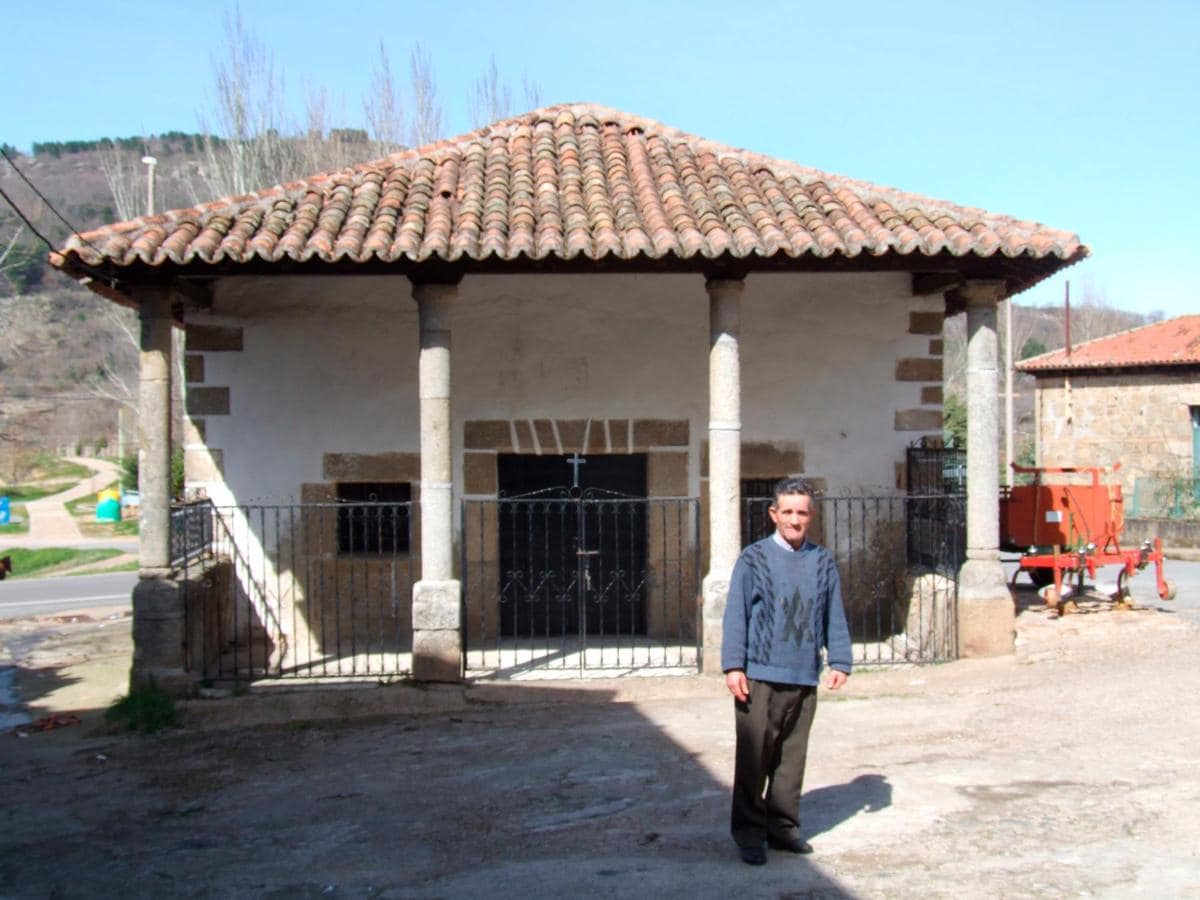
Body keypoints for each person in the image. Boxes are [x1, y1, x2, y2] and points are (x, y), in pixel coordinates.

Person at [721, 476, 852, 865]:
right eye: (788, 512)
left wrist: (840, 660)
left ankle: (782, 828)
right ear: (773, 514)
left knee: (791, 759)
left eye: (802, 513)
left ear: (811, 516)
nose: (795, 520)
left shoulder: (822, 561)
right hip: (759, 676)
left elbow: (834, 614)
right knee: (753, 760)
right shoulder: (753, 558)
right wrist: (733, 666)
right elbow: (736, 615)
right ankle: (748, 833)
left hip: (803, 674)